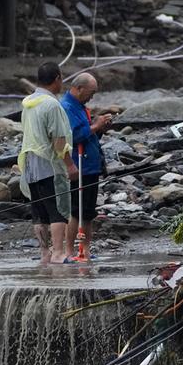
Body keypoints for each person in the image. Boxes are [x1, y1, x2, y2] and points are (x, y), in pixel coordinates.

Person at [18, 61, 76, 265]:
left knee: (39, 213)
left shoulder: (28, 102)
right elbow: (59, 141)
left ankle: (45, 253)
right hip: (48, 164)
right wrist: (70, 165)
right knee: (57, 210)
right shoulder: (52, 104)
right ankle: (59, 253)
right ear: (57, 79)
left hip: (30, 164)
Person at [60, 72, 117, 262]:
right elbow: (72, 137)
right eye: (90, 93)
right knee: (77, 210)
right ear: (79, 88)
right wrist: (95, 125)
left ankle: (85, 250)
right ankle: (69, 251)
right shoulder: (67, 107)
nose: (92, 97)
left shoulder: (81, 107)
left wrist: (99, 128)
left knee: (89, 211)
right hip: (79, 165)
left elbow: (87, 135)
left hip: (90, 165)